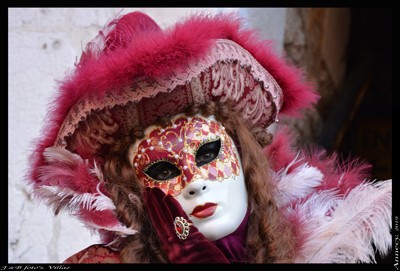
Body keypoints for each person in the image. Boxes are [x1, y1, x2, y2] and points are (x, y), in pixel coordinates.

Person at [27, 11, 392, 263]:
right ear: (135, 191)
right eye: (164, 171)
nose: (194, 185)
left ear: (243, 157)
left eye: (207, 153)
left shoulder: (346, 242)